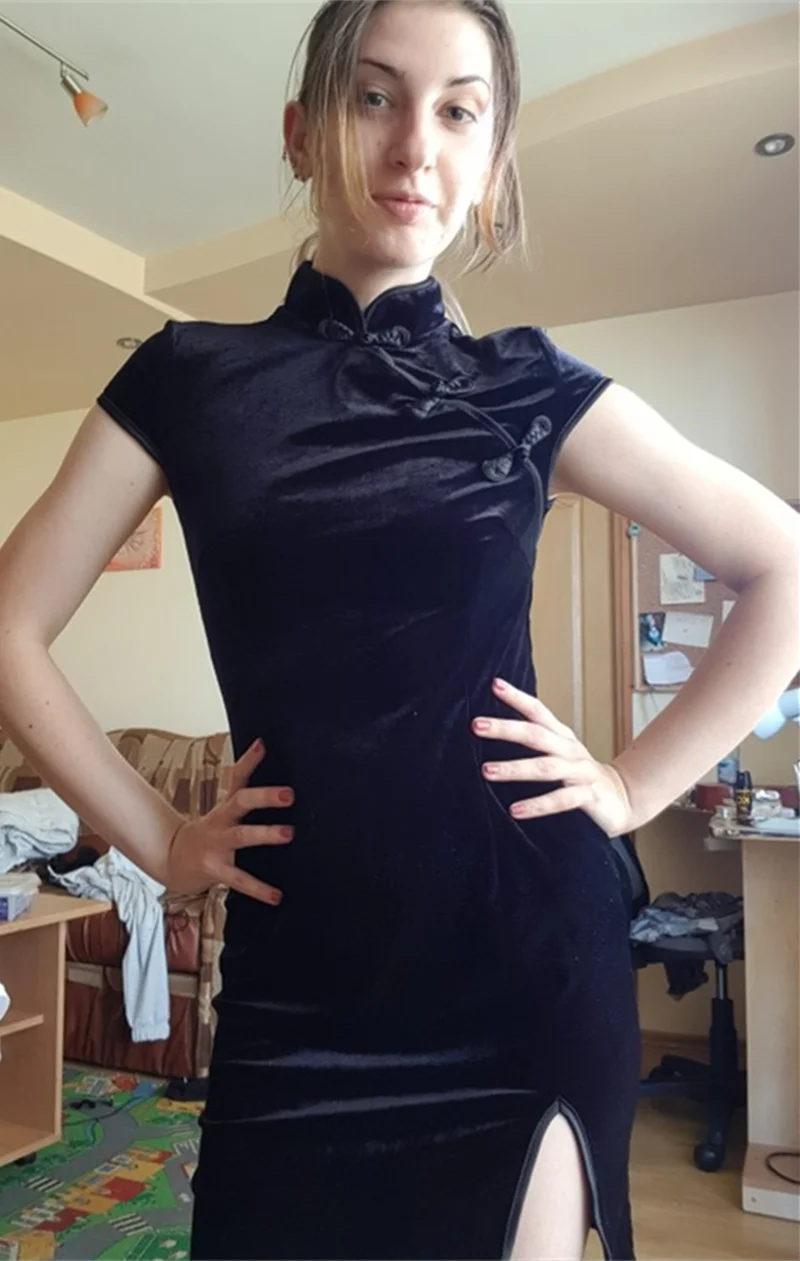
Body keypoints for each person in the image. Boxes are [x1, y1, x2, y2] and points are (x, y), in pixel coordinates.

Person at [0, 0, 797, 1257]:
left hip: (521, 972)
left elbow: (780, 565)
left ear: (491, 162)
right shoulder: (186, 377)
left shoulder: (528, 387)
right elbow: (10, 626)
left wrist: (631, 782)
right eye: (373, 96)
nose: (414, 143)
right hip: (295, 987)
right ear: (300, 131)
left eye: (458, 111)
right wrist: (157, 838)